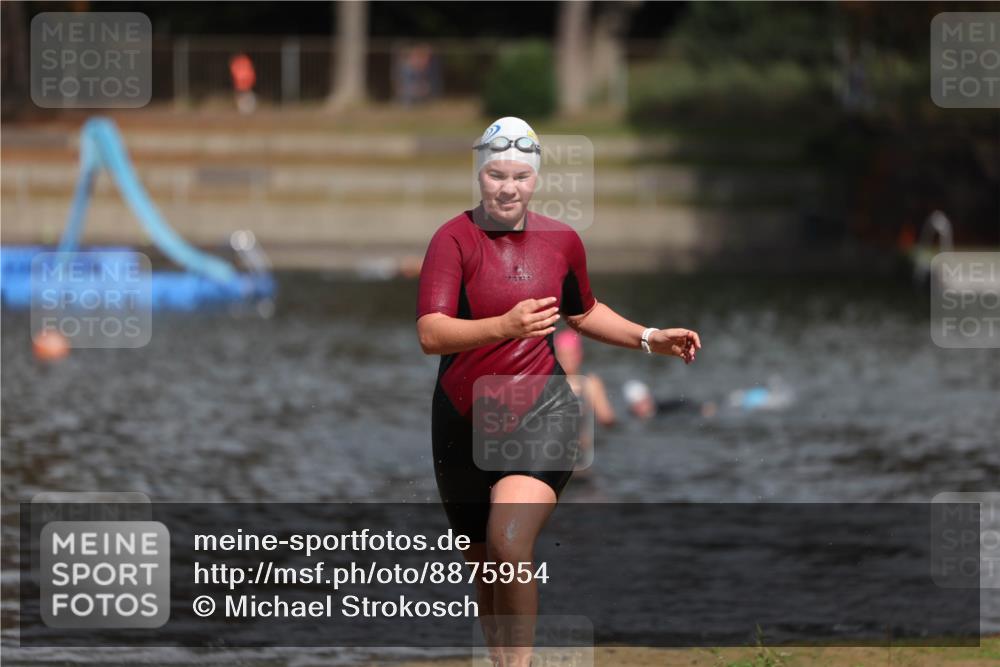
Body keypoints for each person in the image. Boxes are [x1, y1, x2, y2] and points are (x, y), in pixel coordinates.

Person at [416, 116, 700, 667]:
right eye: (497, 175)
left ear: (536, 179)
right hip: (460, 418)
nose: (508, 188)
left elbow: (584, 312)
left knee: (509, 542)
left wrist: (649, 337)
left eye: (520, 176)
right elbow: (432, 333)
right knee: (484, 565)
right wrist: (505, 326)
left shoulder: (561, 242)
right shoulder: (452, 240)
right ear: (479, 175)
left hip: (541, 412)